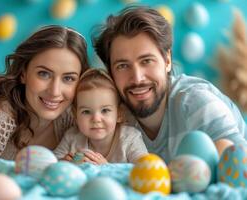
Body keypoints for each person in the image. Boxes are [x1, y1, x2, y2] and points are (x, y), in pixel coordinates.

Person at [92, 5, 247, 163]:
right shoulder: (115, 118)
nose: (137, 78)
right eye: (123, 66)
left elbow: (240, 165)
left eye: (147, 61)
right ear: (110, 73)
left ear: (167, 61)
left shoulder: (196, 102)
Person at [0, 25, 89, 160]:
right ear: (23, 73)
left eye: (68, 78)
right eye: (44, 74)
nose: (54, 91)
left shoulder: (78, 120)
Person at [53, 68, 148, 164]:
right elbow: (51, 164)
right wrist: (66, 163)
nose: (96, 119)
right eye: (86, 111)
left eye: (105, 110)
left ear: (119, 114)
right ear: (75, 115)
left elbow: (146, 170)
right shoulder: (72, 137)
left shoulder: (129, 139)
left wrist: (106, 168)